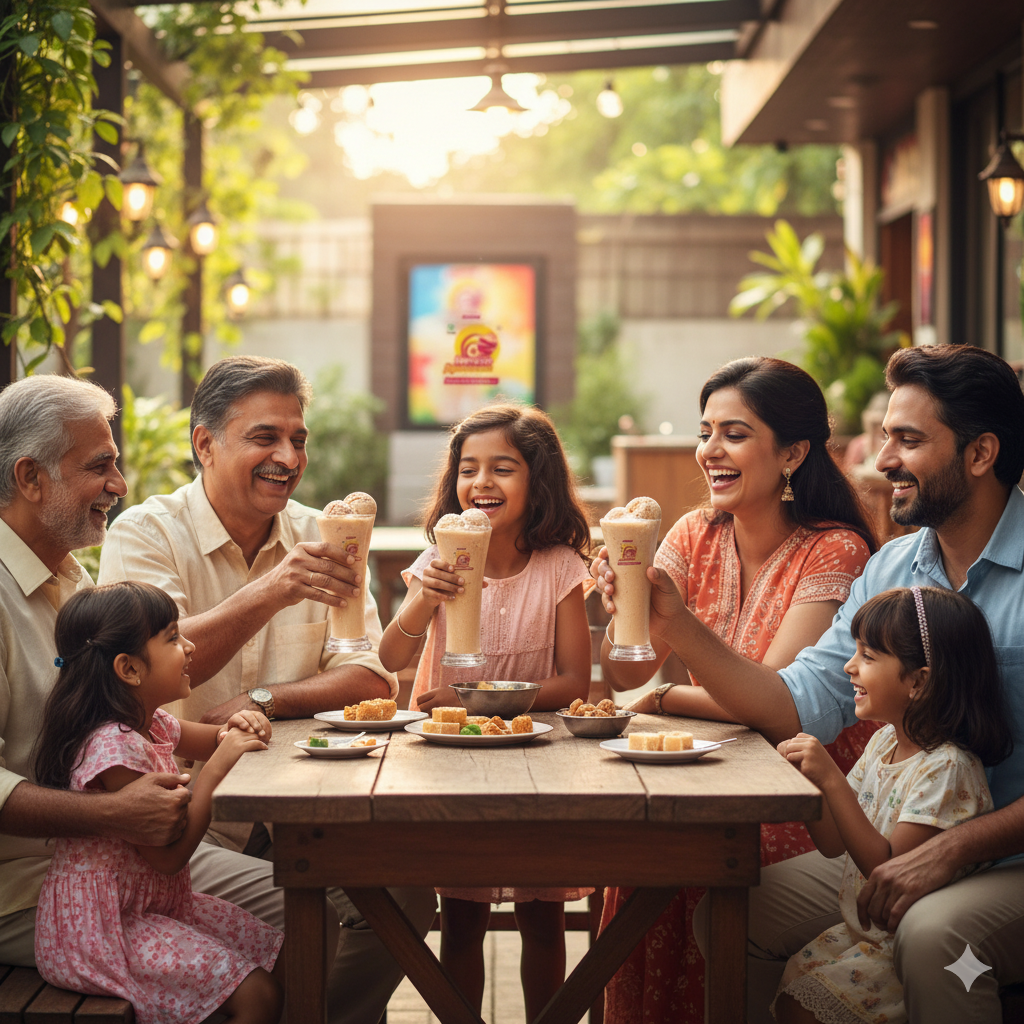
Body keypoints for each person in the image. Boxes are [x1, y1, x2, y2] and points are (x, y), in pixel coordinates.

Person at [607, 345, 1024, 1023]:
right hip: (892, 843)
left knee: (933, 937)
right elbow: (798, 701)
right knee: (732, 910)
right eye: (887, 436)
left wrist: (952, 848)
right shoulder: (892, 568)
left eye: (909, 440)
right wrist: (674, 626)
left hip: (1006, 858)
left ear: (980, 455)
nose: (882, 459)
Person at [97, 355, 435, 1023]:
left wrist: (265, 702)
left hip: (305, 810)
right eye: (265, 437)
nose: (288, 456)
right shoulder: (144, 533)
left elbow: (371, 677)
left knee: (404, 896)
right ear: (204, 443)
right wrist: (270, 593)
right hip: (186, 819)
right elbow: (143, 676)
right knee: (305, 914)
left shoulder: (322, 535)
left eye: (299, 439)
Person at [593, 357, 879, 1024]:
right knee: (643, 851)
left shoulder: (835, 551)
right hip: (711, 775)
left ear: (793, 453)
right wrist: (627, 614)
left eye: (735, 434)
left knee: (693, 855)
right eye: (705, 432)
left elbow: (776, 706)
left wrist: (662, 696)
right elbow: (627, 673)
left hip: (813, 800)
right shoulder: (694, 534)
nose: (710, 452)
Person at [379, 403, 593, 1021]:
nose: (482, 484)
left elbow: (574, 681)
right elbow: (392, 655)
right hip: (450, 766)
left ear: (539, 480)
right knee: (462, 920)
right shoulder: (439, 560)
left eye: (503, 468)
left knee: (544, 919)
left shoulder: (558, 568)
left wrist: (476, 701)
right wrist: (424, 599)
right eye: (468, 469)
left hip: (537, 764)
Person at [35, 582, 305, 1024]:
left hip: (150, 907)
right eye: (174, 638)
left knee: (290, 948)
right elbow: (168, 856)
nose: (191, 646)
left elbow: (215, 739)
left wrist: (240, 725)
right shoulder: (112, 749)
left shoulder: (151, 723)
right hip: (101, 929)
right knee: (257, 996)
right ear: (129, 669)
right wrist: (217, 767)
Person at [0, 374, 190, 970]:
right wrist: (109, 813)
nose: (119, 484)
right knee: (299, 915)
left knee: (329, 899)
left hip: (106, 859)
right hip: (27, 888)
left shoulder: (71, 580)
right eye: (98, 465)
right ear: (30, 478)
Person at [773, 586, 1011, 1024]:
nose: (850, 667)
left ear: (917, 681)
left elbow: (889, 869)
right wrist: (809, 785)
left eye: (867, 656)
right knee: (793, 993)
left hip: (896, 946)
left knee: (801, 1008)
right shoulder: (883, 743)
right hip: (862, 932)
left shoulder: (947, 768)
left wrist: (830, 777)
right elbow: (831, 843)